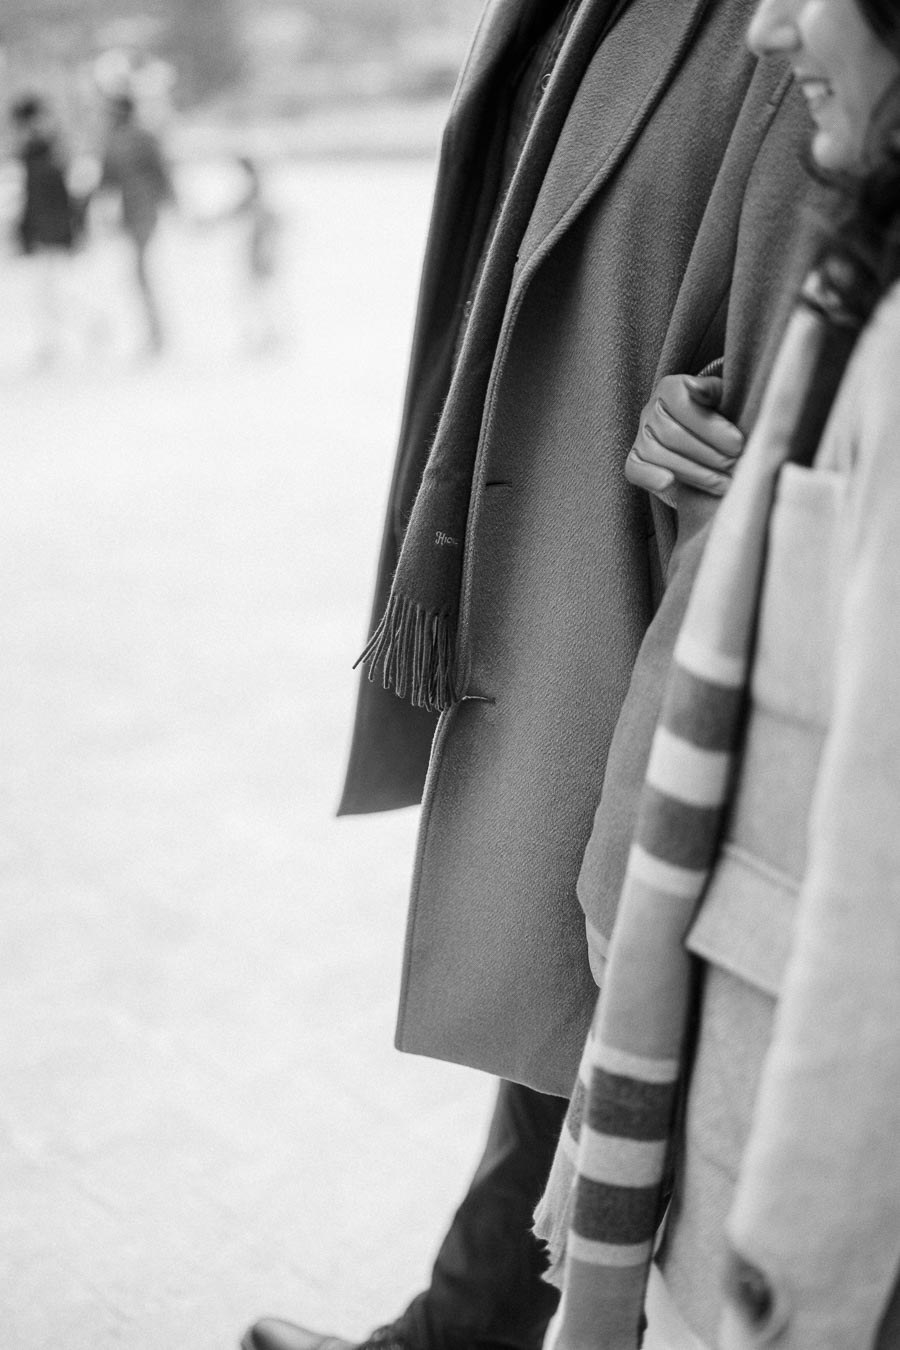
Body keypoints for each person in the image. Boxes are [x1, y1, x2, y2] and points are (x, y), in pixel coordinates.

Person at [244, 3, 823, 1349]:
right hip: (564, 537)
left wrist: (797, 416)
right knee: (566, 983)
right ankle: (455, 1326)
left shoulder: (795, 30)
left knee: (606, 977)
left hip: (677, 576)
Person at [542, 1, 900, 1347]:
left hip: (800, 1164)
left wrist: (783, 1290)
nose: (763, 30)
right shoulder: (852, 298)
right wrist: (710, 461)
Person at [97, 92, 174, 354]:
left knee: (140, 275)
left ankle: (156, 334)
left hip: (140, 213)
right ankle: (153, 332)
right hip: (134, 214)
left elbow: (161, 174)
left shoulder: (131, 139)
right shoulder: (124, 139)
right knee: (137, 275)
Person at [10, 94, 80, 366]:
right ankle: (50, 341)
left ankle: (58, 340)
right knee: (46, 291)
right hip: (43, 230)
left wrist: (69, 230)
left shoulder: (47, 151)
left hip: (51, 229)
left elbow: (60, 195)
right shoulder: (36, 152)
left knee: (51, 290)